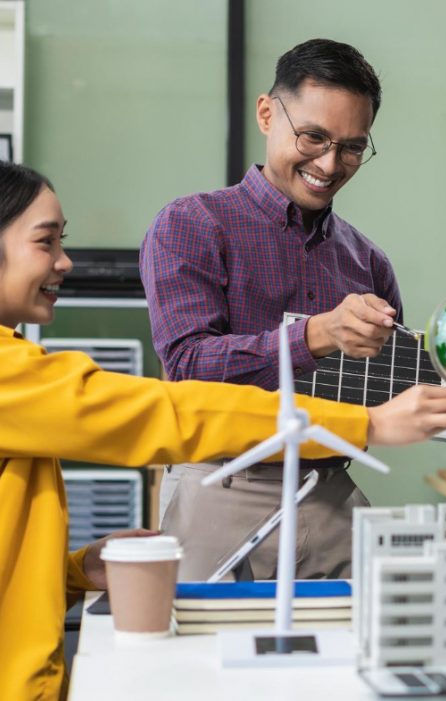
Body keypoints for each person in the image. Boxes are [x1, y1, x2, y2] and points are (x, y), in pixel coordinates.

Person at [0, 158, 446, 701]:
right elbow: (166, 411)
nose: (65, 262)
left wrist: (72, 572)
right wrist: (363, 423)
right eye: (46, 243)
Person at [141, 39, 407, 580]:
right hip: (221, 490)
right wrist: (316, 335)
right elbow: (188, 366)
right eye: (314, 136)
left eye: (352, 147)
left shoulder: (369, 262)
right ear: (267, 113)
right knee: (205, 657)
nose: (330, 164)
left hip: (334, 497)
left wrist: (431, 389)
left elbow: (382, 401)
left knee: (357, 657)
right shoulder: (192, 225)